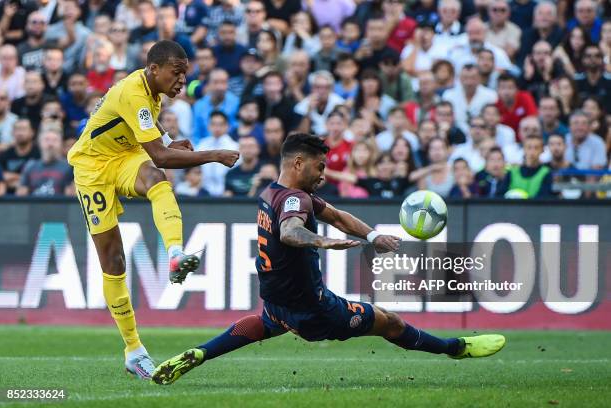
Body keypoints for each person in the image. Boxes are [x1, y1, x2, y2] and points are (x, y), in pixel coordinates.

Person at [152, 132, 505, 385]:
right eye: (320, 168)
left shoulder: (269, 194)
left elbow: (337, 216)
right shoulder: (297, 201)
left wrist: (372, 236)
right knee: (389, 322)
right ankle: (455, 347)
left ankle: (199, 354)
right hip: (317, 311)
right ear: (299, 162)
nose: (323, 176)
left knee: (265, 324)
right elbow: (291, 231)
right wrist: (322, 242)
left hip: (277, 302)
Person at [66, 40, 239, 379]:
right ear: (154, 69)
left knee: (155, 177)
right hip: (91, 168)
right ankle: (133, 349)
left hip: (125, 158)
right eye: (177, 73)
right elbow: (160, 153)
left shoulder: (151, 93)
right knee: (113, 259)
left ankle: (175, 252)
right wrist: (213, 155)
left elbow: (152, 135)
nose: (182, 81)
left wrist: (169, 139)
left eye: (185, 74)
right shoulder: (133, 91)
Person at [16, 128, 73, 197]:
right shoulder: (30, 166)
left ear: (61, 144)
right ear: (39, 143)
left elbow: (70, 198)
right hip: (33, 206)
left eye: (55, 140)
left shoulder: (69, 167)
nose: (50, 144)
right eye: (47, 140)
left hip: (59, 207)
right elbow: (21, 195)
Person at [196, 110, 240, 196]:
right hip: (204, 193)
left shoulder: (235, 147)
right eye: (213, 124)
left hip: (227, 194)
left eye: (221, 125)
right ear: (209, 126)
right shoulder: (201, 145)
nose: (217, 128)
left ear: (227, 126)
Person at [497, 134, 553, 198]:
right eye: (529, 147)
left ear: (542, 150)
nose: (532, 152)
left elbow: (543, 197)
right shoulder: (512, 172)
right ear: (523, 149)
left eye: (536, 148)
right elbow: (500, 196)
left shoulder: (546, 173)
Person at [0, 118, 40, 194]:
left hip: (33, 198)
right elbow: (2, 177)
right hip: (7, 198)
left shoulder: (39, 154)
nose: (20, 133)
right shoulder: (5, 154)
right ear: (12, 132)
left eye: (24, 129)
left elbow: (38, 178)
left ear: (32, 132)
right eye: (17, 129)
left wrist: (14, 177)